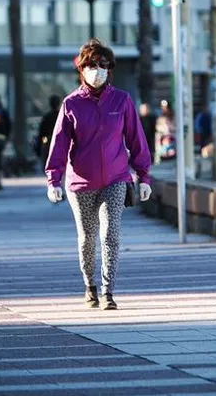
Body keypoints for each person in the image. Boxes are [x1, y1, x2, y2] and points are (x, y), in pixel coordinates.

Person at [45, 38, 153, 311]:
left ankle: (108, 291)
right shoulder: (71, 105)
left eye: (102, 66)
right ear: (82, 70)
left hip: (116, 179)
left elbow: (136, 139)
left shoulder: (122, 101)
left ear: (110, 69)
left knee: (110, 234)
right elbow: (58, 144)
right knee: (87, 237)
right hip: (81, 183)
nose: (97, 71)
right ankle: (89, 287)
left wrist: (144, 176)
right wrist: (53, 179)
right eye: (91, 66)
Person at [37, 95, 61, 166]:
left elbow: (42, 133)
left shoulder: (47, 117)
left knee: (48, 159)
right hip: (60, 140)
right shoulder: (62, 115)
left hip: (48, 140)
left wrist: (40, 145)